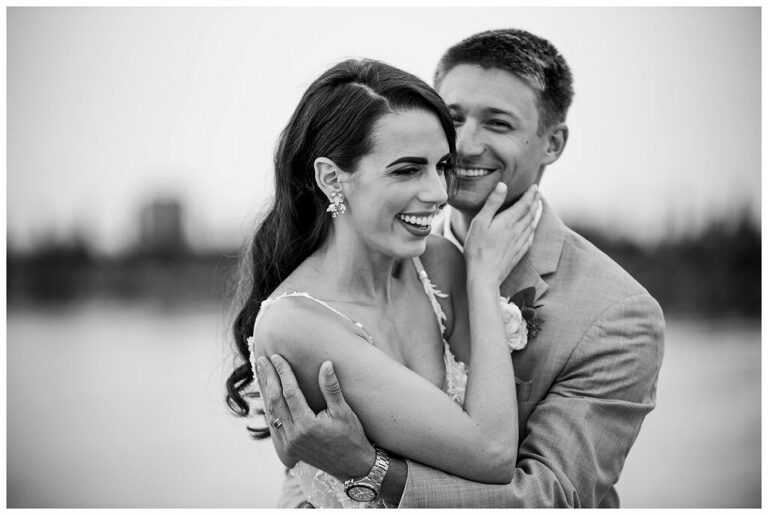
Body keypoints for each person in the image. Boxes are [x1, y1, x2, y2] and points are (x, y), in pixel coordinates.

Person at [256, 29, 665, 508]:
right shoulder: (329, 295)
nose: (467, 147)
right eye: (454, 118)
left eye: (497, 123)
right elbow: (309, 467)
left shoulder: (618, 315)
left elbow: (549, 498)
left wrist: (369, 470)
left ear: (552, 144)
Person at [226, 57, 543, 508]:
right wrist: (483, 276)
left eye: (441, 165)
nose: (437, 193)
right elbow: (491, 453)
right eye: (407, 170)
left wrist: (471, 272)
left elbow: (502, 461)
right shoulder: (297, 323)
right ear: (332, 179)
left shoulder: (438, 262)